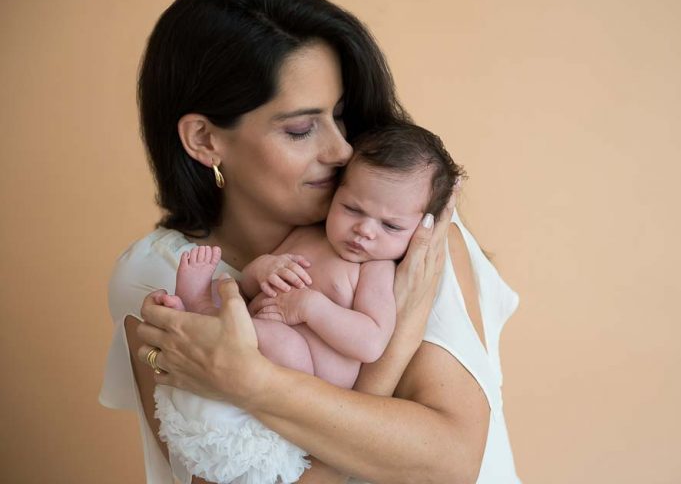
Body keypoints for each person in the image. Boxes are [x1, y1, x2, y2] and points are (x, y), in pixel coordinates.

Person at [99, 0, 523, 483]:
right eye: (300, 129)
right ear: (205, 139)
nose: (342, 150)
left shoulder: (402, 233)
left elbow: (448, 462)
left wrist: (253, 384)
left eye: (340, 117)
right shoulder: (156, 275)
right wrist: (398, 337)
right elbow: (217, 468)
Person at [157, 124, 466, 483]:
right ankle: (200, 306)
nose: (365, 230)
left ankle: (202, 314)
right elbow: (249, 289)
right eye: (352, 209)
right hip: (257, 344)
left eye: (391, 226)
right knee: (230, 294)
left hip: (304, 373)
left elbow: (371, 341)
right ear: (336, 194)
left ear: (418, 229)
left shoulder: (375, 270)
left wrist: (309, 307)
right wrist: (264, 269)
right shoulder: (305, 234)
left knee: (273, 338)